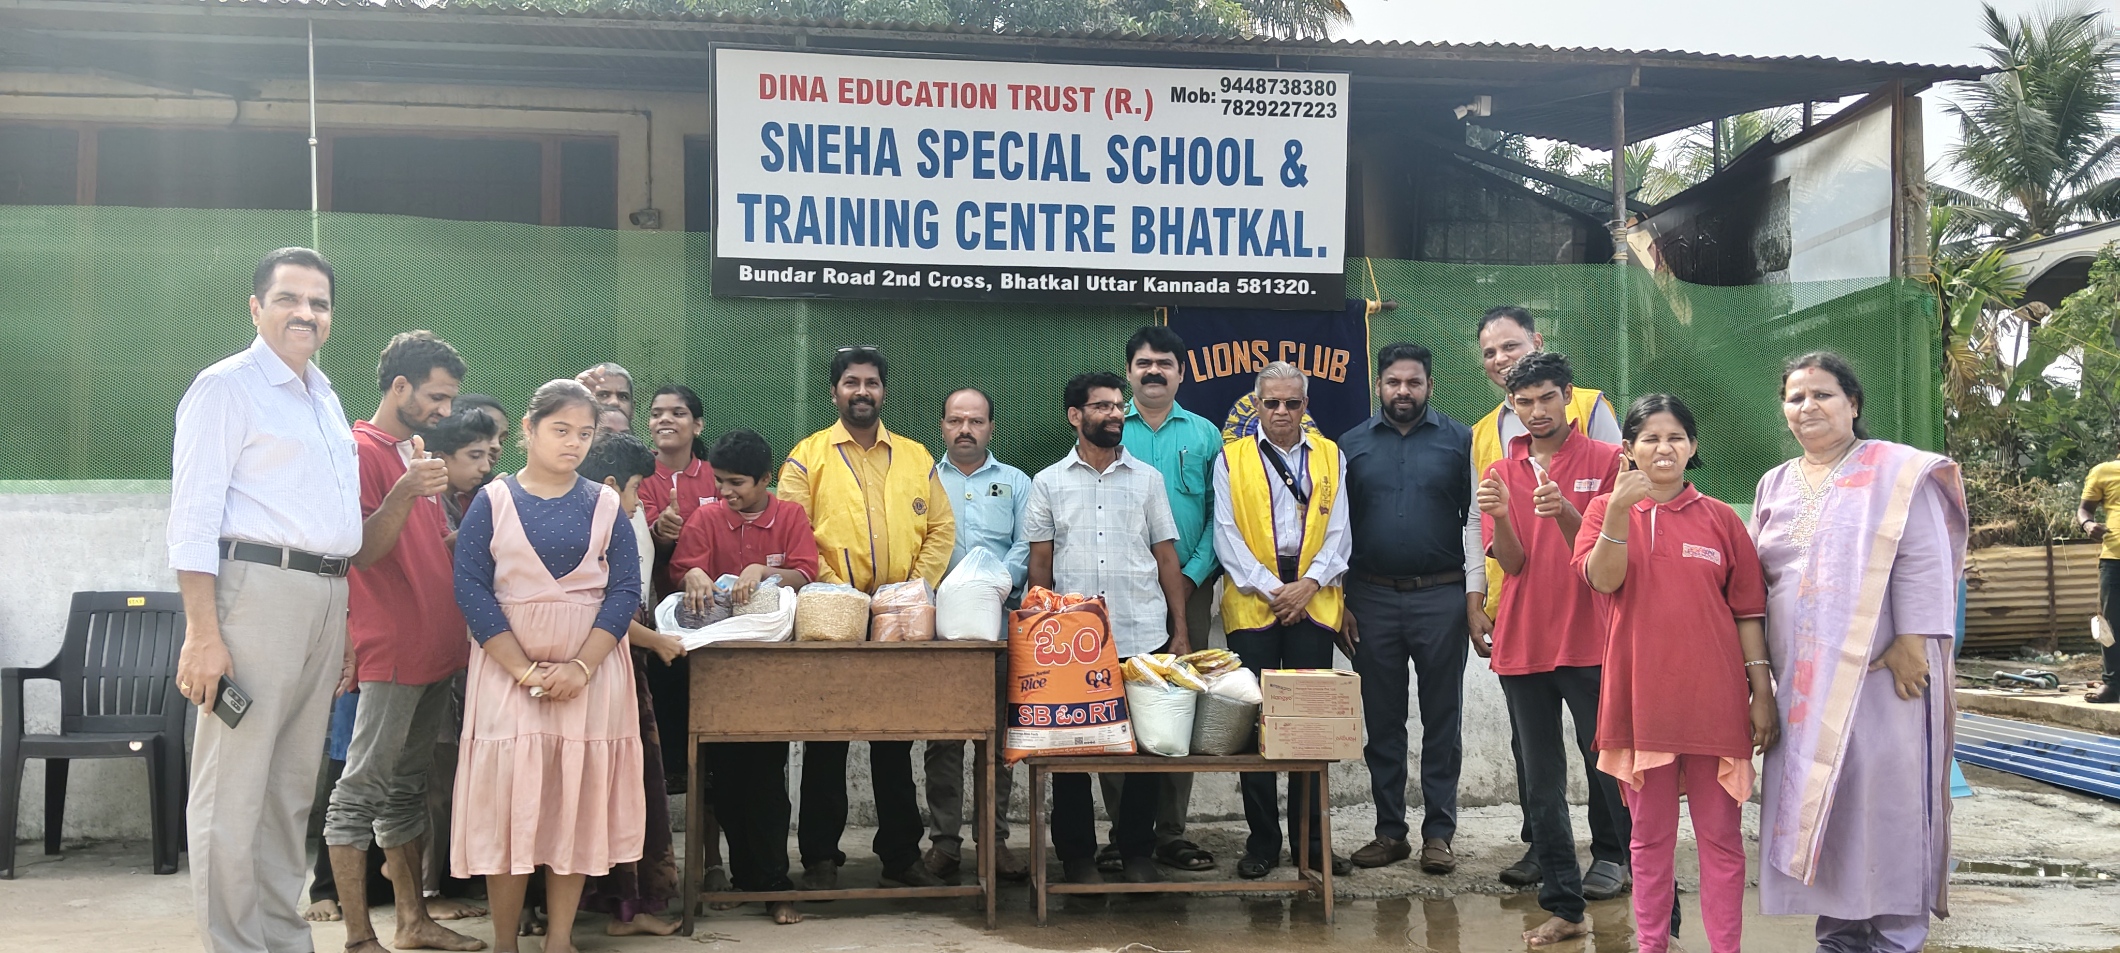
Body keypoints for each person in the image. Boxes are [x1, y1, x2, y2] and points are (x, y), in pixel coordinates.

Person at [167, 248, 362, 953]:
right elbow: (192, 517)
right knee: (232, 787)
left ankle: (285, 940)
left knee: (288, 792)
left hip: (326, 594)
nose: (306, 312)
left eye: (319, 302)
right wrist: (202, 632)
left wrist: (341, 626)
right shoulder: (227, 388)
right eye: (289, 298)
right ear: (256, 307)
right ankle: (234, 944)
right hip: (253, 596)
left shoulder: (326, 395)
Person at [1753, 353, 1967, 953]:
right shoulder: (1775, 481)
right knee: (1828, 799)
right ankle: (1840, 930)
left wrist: (1912, 641)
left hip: (1882, 672)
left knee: (1886, 791)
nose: (1808, 408)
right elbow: (1758, 578)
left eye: (1822, 395)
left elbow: (1926, 557)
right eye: (1795, 398)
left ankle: (1897, 932)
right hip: (1802, 681)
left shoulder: (1896, 472)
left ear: (1853, 404)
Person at [1575, 394, 1779, 953]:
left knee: (1721, 839)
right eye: (1650, 438)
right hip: (1640, 702)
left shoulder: (1722, 519)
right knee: (1649, 840)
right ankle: (1651, 945)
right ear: (1629, 449)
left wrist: (1761, 694)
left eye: (1675, 438)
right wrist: (1618, 511)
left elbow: (1747, 612)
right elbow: (1605, 580)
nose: (1663, 448)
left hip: (1715, 702)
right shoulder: (1602, 514)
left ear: (1693, 447)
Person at [451, 379, 647, 953]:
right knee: (509, 809)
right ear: (528, 433)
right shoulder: (491, 501)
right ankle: (506, 942)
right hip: (507, 676)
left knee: (574, 806)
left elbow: (624, 590)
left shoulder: (606, 503)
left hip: (591, 679)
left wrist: (581, 668)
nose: (574, 444)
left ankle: (559, 940)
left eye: (584, 434)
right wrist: (524, 670)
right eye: (561, 430)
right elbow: (470, 588)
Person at [327, 330, 485, 953]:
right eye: (438, 397)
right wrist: (407, 489)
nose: (447, 410)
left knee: (405, 788)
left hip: (434, 647)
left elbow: (419, 546)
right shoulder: (361, 450)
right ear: (400, 388)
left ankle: (413, 924)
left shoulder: (410, 450)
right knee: (360, 788)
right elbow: (361, 549)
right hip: (392, 649)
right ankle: (360, 936)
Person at [777, 346, 955, 890]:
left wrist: (906, 592)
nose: (862, 391)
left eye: (871, 382)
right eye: (851, 382)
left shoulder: (916, 456)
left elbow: (941, 529)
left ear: (884, 391)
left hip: (901, 619)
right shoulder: (807, 457)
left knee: (894, 740)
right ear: (834, 392)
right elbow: (793, 533)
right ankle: (821, 859)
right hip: (831, 617)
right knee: (826, 741)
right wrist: (842, 596)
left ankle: (900, 857)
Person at [1469, 306, 1625, 893]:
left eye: (1547, 399)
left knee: (1603, 754)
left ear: (1567, 398)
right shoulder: (1498, 466)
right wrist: (1502, 518)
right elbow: (1509, 561)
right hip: (1525, 633)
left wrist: (1563, 511)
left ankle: (1613, 856)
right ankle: (1553, 866)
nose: (1537, 412)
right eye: (1525, 402)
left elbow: (1609, 549)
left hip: (1590, 633)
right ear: (1512, 406)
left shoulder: (1607, 459)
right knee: (1539, 770)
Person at [1026, 371, 1192, 886]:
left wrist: (1180, 630)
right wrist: (1038, 636)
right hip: (1072, 644)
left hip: (1141, 633)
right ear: (1076, 417)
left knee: (1142, 751)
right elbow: (1039, 567)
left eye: (1119, 406)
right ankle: (1077, 857)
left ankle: (1137, 852)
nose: (1116, 414)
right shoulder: (1048, 482)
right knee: (1073, 752)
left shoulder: (1147, 480)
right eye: (1102, 407)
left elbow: (1167, 558)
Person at [1337, 342, 1479, 874]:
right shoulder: (1349, 445)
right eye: (1393, 382)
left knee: (1444, 721)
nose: (1403, 391)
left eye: (1413, 382)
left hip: (1441, 597)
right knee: (1384, 722)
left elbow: (1475, 524)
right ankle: (1389, 832)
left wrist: (1472, 600)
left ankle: (1439, 834)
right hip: (1369, 599)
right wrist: (1343, 600)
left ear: (1429, 385)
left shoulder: (1460, 442)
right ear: (1379, 385)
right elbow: (1335, 531)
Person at [671, 428, 820, 926]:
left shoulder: (790, 516)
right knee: (727, 783)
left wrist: (765, 571)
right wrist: (691, 575)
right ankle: (744, 879)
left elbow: (805, 571)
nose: (726, 492)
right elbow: (683, 571)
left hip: (772, 672)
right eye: (720, 482)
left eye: (737, 483)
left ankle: (776, 885)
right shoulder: (706, 517)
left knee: (767, 781)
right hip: (717, 672)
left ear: (765, 479)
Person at [1211, 362, 1353, 880]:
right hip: (1255, 602)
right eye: (1271, 402)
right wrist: (1274, 590)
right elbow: (1225, 535)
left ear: (1305, 406)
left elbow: (1339, 532)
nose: (1281, 412)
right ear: (1256, 404)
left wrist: (1308, 586)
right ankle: (1264, 843)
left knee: (1309, 729)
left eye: (1292, 403)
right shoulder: (1231, 458)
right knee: (1256, 726)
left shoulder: (1331, 455)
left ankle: (1311, 844)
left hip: (1314, 602)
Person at [1114, 325, 1221, 873]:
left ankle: (1171, 832)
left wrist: (1189, 575)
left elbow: (1218, 518)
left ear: (1182, 372)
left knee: (1179, 708)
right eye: (1143, 363)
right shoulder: (1110, 428)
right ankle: (1121, 832)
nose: (1153, 371)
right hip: (1121, 593)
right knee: (1119, 707)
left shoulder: (1205, 436)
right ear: (1129, 370)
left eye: (1165, 363)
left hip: (1191, 591)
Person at [574, 430, 686, 938]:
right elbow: (607, 607)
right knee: (626, 784)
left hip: (616, 666)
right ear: (613, 483)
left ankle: (621, 903)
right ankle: (625, 904)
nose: (640, 501)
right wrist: (659, 642)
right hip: (606, 668)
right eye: (638, 489)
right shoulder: (589, 527)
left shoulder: (607, 519)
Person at [921, 388, 1033, 883]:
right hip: (940, 633)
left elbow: (1028, 544)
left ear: (991, 427)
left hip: (1001, 628)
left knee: (998, 740)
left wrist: (992, 586)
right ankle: (944, 844)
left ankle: (995, 842)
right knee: (943, 741)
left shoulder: (1016, 483)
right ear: (942, 426)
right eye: (955, 420)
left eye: (976, 421)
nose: (965, 429)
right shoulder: (922, 480)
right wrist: (948, 595)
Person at [637, 385, 719, 798]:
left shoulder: (713, 474)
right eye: (656, 413)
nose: (665, 420)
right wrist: (662, 532)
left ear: (697, 424)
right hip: (663, 621)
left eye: (678, 413)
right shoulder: (642, 478)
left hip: (719, 616)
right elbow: (644, 542)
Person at [2077, 454, 2120, 704]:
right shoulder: (2103, 471)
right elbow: (2084, 509)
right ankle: (2113, 684)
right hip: (2114, 559)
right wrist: (2087, 525)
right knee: (2111, 625)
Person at [428, 407, 502, 538]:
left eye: (487, 457)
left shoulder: (455, 501)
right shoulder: (425, 503)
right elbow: (436, 552)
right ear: (440, 457)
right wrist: (485, 512)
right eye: (475, 456)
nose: (485, 468)